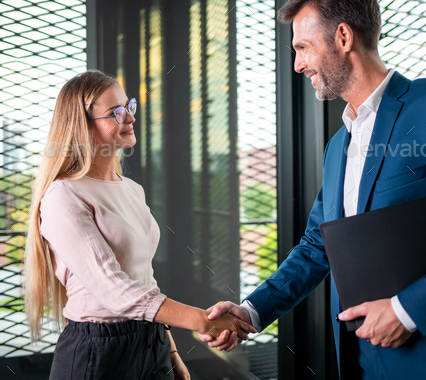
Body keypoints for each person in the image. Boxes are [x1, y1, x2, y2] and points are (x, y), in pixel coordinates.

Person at [199, 0, 426, 379]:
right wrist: (252, 310)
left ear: (342, 37)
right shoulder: (339, 146)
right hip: (363, 365)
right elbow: (318, 246)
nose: (298, 65)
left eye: (303, 48)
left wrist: (407, 311)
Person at [24, 70, 256, 380]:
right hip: (99, 353)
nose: (130, 118)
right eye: (116, 112)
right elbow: (114, 289)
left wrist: (170, 350)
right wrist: (203, 320)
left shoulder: (131, 189)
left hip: (152, 343)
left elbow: (144, 280)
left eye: (129, 106)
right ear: (82, 125)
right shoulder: (63, 195)